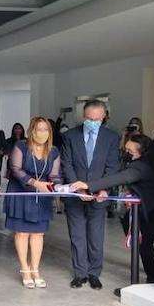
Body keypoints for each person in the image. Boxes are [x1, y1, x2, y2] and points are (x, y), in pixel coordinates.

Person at [71, 134, 154, 288]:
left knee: (144, 246)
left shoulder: (141, 166)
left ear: (142, 152)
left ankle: (150, 280)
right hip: (142, 212)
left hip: (151, 214)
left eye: (130, 151)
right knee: (143, 247)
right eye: (125, 149)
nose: (126, 153)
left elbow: (122, 178)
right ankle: (151, 278)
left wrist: (88, 185)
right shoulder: (138, 162)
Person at [61, 100, 120, 290]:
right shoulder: (70, 136)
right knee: (77, 235)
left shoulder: (111, 137)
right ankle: (80, 274)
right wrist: (78, 188)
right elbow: (66, 164)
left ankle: (94, 273)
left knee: (95, 236)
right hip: (76, 195)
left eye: (96, 119)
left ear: (103, 117)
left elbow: (112, 166)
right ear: (83, 116)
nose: (92, 122)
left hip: (99, 195)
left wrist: (104, 189)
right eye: (89, 118)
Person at [4, 117, 62, 289]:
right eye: (39, 129)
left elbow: (54, 174)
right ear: (31, 131)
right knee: (22, 233)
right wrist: (34, 183)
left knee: (38, 234)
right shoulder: (21, 146)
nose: (42, 133)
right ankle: (24, 269)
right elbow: (15, 169)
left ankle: (35, 269)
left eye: (46, 130)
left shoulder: (54, 151)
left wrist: (57, 185)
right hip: (21, 192)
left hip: (42, 195)